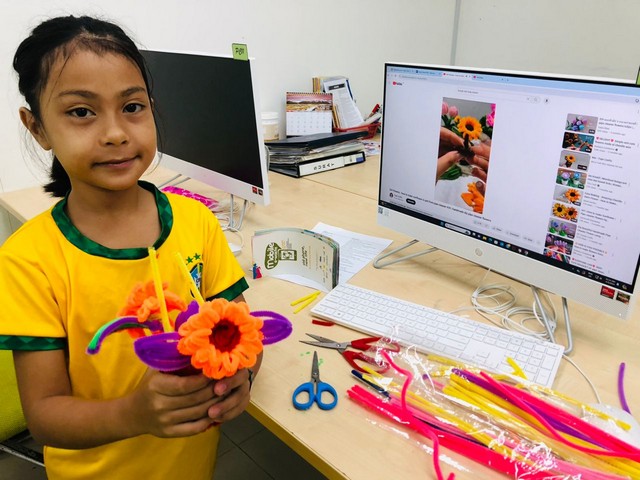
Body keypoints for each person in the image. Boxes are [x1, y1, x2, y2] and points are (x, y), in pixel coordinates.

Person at [0, 15, 260, 479]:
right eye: (81, 112)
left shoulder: (195, 221)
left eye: (132, 107)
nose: (116, 133)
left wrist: (244, 372)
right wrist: (135, 414)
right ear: (37, 127)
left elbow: (242, 328)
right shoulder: (28, 260)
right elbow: (44, 416)